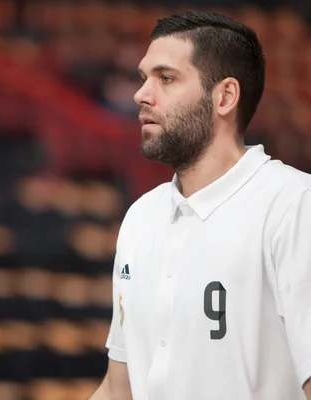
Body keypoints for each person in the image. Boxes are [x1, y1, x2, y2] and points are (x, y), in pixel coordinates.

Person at [89, 10, 311, 400]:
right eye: (144, 78)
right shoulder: (140, 216)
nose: (142, 93)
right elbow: (118, 389)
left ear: (225, 96)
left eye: (166, 78)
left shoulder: (294, 206)